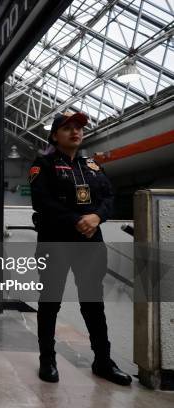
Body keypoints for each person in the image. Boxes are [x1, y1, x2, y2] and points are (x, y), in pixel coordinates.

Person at [30, 111, 132, 386]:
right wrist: (77, 220)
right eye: (68, 128)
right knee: (50, 302)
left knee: (93, 303)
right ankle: (47, 360)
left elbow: (109, 196)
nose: (75, 132)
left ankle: (103, 361)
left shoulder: (92, 165)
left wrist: (97, 217)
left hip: (90, 244)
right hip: (56, 242)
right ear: (54, 135)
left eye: (79, 128)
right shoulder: (44, 164)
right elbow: (42, 202)